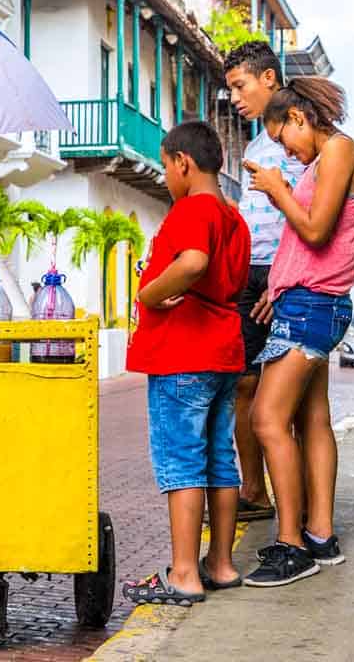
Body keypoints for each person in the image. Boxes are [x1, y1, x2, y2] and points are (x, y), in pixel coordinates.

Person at [243, 77, 354, 587]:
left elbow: (316, 230)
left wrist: (277, 190)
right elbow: (312, 236)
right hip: (306, 301)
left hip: (313, 306)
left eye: (283, 139)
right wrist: (278, 285)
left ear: (299, 118)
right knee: (312, 419)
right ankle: (320, 534)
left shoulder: (339, 150)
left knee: (266, 419)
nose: (286, 153)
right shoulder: (322, 162)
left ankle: (291, 545)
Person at [122, 121, 251, 606]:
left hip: (184, 353)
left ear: (183, 163)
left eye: (165, 166)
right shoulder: (232, 217)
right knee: (219, 459)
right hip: (222, 351)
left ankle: (183, 573)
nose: (165, 177)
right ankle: (219, 562)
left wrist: (150, 292)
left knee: (182, 463)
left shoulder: (193, 208)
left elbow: (194, 262)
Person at [223, 40, 306, 521]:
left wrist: (284, 280)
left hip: (284, 277)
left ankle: (301, 511)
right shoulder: (257, 143)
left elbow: (306, 215)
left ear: (269, 79)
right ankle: (254, 492)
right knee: (243, 387)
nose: (235, 97)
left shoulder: (299, 140)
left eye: (241, 85)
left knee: (287, 403)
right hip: (248, 276)